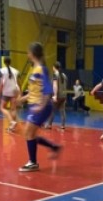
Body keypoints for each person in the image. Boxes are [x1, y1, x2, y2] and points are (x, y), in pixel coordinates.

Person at [17, 42, 62, 172]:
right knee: (30, 134)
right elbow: (34, 91)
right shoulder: (35, 69)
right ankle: (53, 147)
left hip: (40, 106)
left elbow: (48, 90)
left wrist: (41, 106)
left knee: (28, 133)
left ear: (32, 53)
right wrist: (22, 99)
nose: (27, 54)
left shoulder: (41, 69)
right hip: (34, 105)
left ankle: (33, 162)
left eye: (28, 52)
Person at [0, 57, 21, 132]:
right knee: (13, 109)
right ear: (10, 62)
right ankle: (12, 128)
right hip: (14, 91)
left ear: (4, 62)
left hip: (6, 91)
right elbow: (19, 82)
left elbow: (1, 84)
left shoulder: (2, 71)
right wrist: (20, 93)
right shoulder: (16, 71)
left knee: (2, 107)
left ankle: (12, 122)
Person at [45, 61, 68, 130]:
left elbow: (55, 85)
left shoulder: (55, 74)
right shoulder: (64, 75)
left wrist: (55, 95)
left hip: (58, 96)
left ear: (54, 67)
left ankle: (49, 125)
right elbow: (65, 85)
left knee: (52, 110)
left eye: (53, 66)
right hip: (64, 95)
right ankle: (63, 125)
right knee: (62, 111)